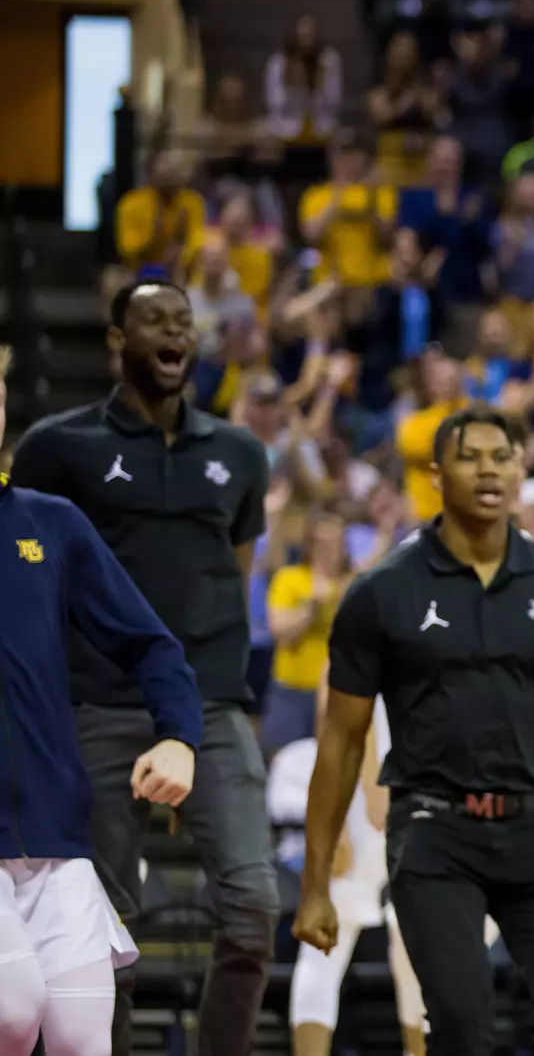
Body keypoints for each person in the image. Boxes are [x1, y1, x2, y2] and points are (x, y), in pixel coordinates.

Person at [9, 281, 277, 1056]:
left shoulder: (239, 453)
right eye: (154, 320)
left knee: (254, 904)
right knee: (104, 926)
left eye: (183, 322)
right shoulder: (58, 447)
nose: (173, 332)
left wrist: (193, 706)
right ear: (116, 339)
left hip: (210, 705)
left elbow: (235, 568)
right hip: (95, 704)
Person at [293, 408, 534, 1056]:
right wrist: (315, 883)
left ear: (521, 472)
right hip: (434, 833)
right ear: (436, 476)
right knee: (461, 1032)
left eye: (503, 456)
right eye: (471, 457)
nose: (489, 470)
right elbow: (342, 741)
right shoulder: (382, 592)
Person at [0, 344, 202, 1056]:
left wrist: (178, 735)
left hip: (56, 837)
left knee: (85, 1038)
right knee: (13, 1010)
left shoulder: (49, 523)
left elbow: (152, 644)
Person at [281, 675, 425, 1056]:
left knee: (413, 950)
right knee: (326, 945)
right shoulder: (355, 645)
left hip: (411, 799)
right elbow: (329, 724)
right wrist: (337, 827)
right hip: (365, 807)